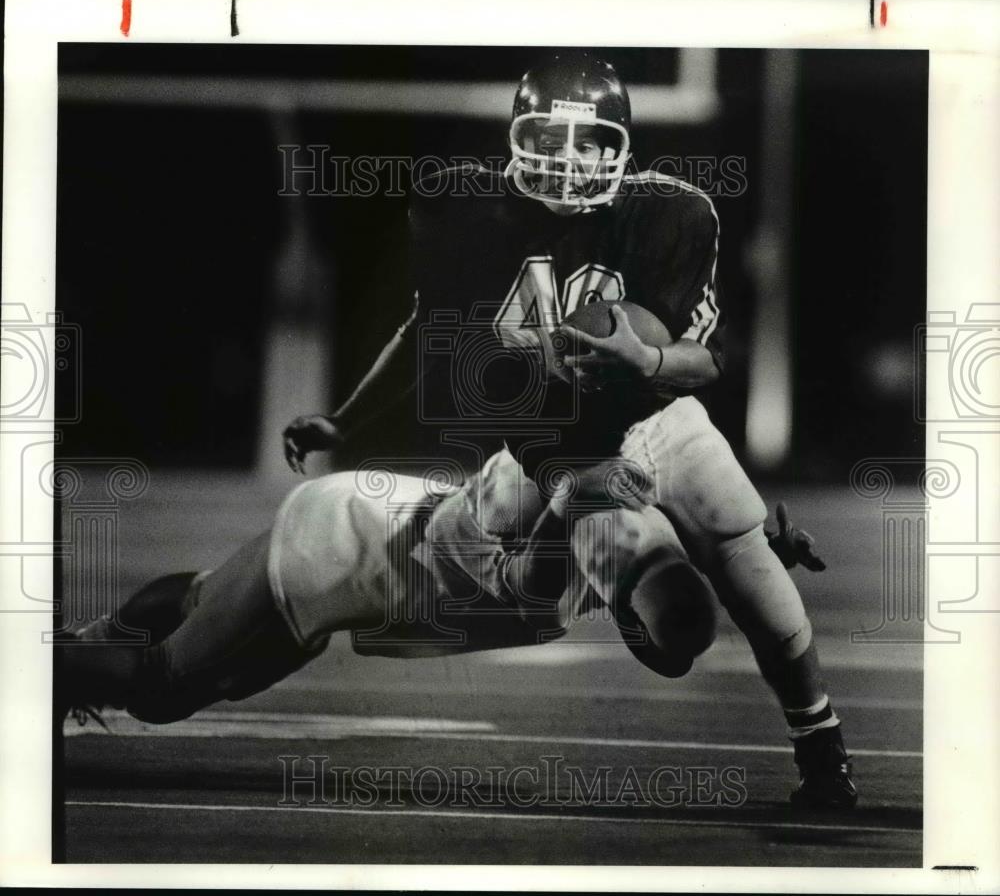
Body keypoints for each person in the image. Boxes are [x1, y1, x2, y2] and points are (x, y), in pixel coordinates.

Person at [59, 52, 854, 810]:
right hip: (350, 546)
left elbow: (642, 517)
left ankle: (86, 644)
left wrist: (730, 548)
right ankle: (45, 674)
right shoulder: (572, 492)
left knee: (202, 603)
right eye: (551, 138)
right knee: (162, 686)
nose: (571, 160)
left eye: (591, 142)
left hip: (400, 540)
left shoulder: (601, 494)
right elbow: (548, 550)